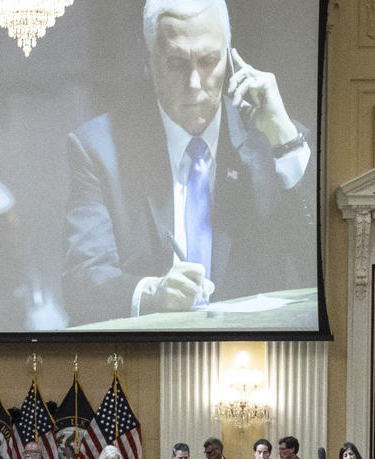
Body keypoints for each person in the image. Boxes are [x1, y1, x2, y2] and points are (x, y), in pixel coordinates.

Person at [61, 0, 315, 326]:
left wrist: (284, 138)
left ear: (230, 58)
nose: (194, 83)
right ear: (148, 63)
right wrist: (153, 294)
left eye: (209, 61)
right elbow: (81, 282)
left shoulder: (275, 141)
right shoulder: (98, 148)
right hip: (146, 356)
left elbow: (324, 269)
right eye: (177, 63)